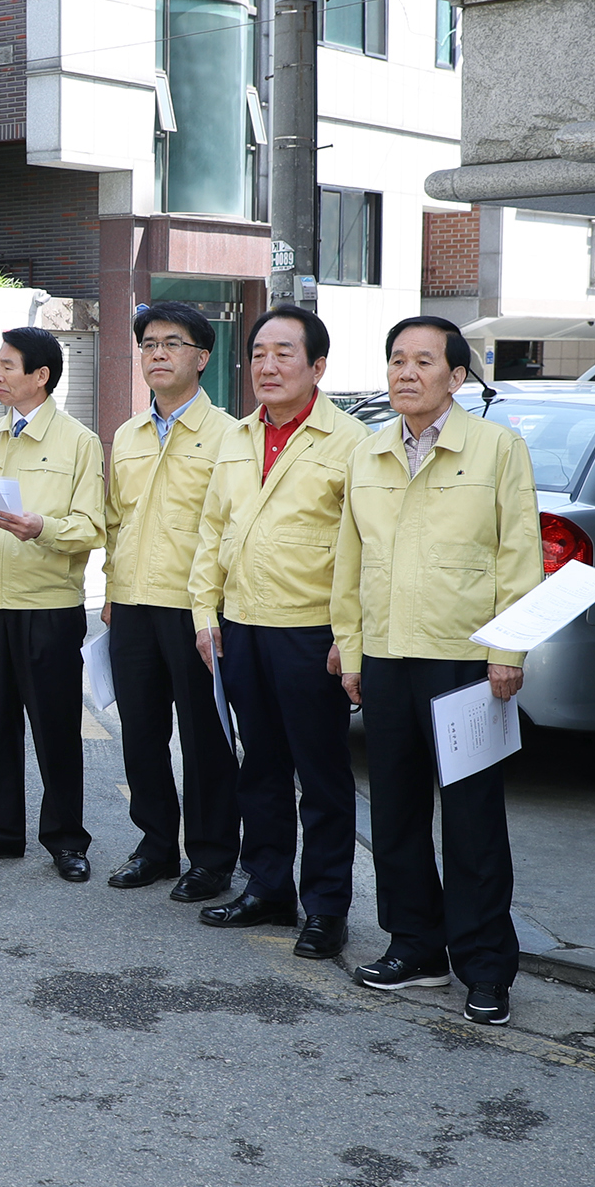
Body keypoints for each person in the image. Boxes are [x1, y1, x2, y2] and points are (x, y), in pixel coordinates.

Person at [331, 317, 541, 1026]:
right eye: (396, 360)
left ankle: (484, 965)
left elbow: (520, 558)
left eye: (423, 361)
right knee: (394, 812)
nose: (405, 373)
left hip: (465, 659)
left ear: (456, 376)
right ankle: (414, 946)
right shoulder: (368, 452)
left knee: (475, 819)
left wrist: (507, 652)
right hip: (388, 656)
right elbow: (349, 564)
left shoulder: (496, 449)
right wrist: (351, 652)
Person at [188, 305, 367, 960]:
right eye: (259, 352)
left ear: (318, 366)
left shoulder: (350, 443)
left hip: (309, 633)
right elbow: (211, 532)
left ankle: (325, 908)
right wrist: (204, 615)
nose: (266, 365)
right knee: (258, 769)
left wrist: (349, 635)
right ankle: (267, 887)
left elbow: (359, 549)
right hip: (240, 628)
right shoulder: (235, 437)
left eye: (283, 353)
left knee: (321, 778)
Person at [0, 327, 106, 882]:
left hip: (48, 606)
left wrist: (42, 527)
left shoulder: (78, 442)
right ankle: (1, 829)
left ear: (41, 376)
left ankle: (65, 838)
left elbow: (89, 527)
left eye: (8, 366)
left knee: (56, 727)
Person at [101, 301, 241, 900]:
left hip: (194, 609)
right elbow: (114, 522)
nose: (157, 353)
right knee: (141, 731)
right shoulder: (128, 434)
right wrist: (110, 592)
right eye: (149, 343)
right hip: (132, 604)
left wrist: (214, 611)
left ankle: (210, 858)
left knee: (206, 736)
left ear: (202, 357)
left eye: (172, 343)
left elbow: (232, 528)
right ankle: (155, 845)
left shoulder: (230, 435)